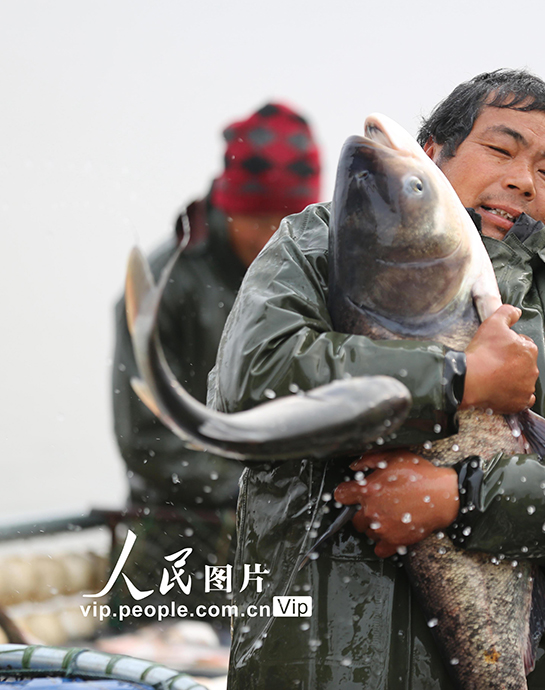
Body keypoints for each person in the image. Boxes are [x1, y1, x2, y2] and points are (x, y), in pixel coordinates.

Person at [206, 69, 545, 689]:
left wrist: (462, 495)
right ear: (432, 153)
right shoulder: (319, 246)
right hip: (317, 663)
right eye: (501, 150)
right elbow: (247, 381)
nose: (523, 181)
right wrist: (458, 378)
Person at [110, 102, 321, 632]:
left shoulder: (316, 276)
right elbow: (148, 443)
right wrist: (271, 481)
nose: (275, 233)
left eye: (288, 219)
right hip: (173, 545)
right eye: (261, 218)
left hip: (284, 545)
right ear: (229, 205)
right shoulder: (161, 286)